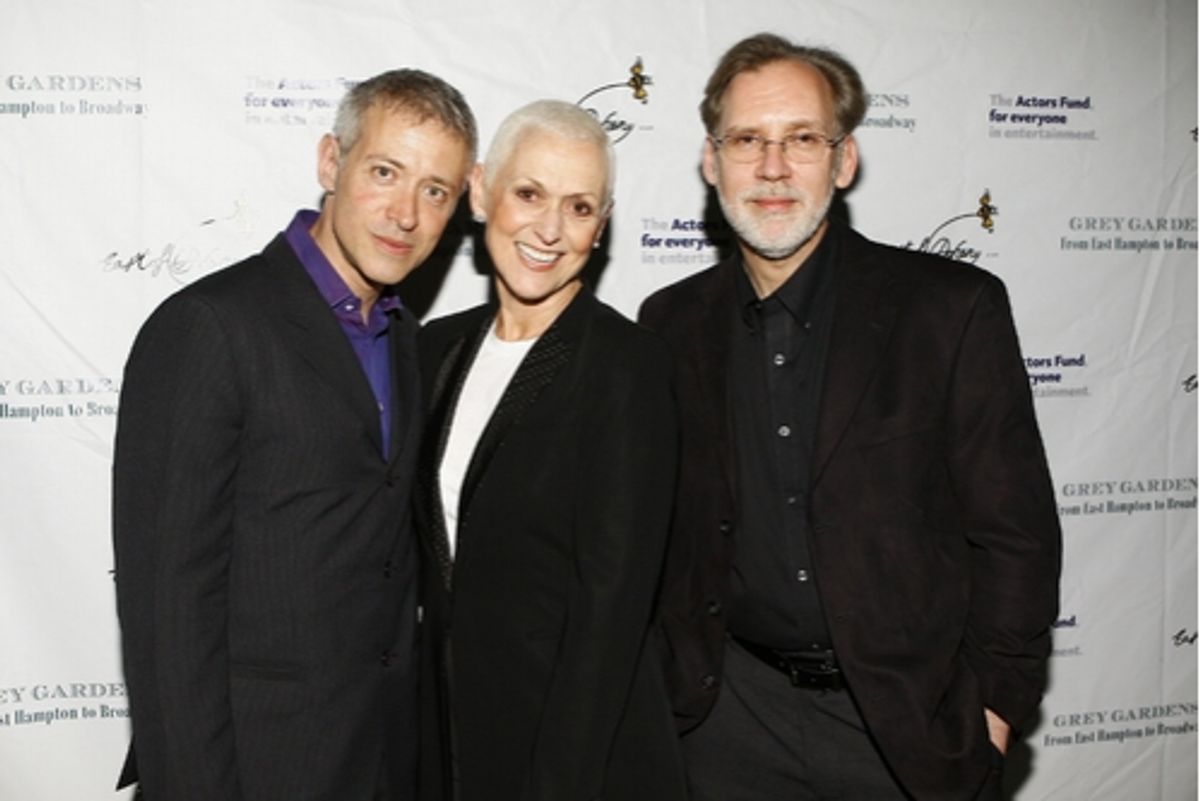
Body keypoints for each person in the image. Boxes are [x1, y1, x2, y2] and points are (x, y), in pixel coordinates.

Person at [639, 33, 1062, 801]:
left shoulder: (949, 310)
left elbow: (1016, 535)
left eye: (802, 139)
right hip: (726, 721)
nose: (772, 167)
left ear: (844, 160)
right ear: (711, 161)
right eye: (747, 140)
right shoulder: (669, 325)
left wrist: (994, 708)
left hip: (904, 729)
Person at [111, 68, 476, 801]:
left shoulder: (404, 340)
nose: (405, 212)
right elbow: (168, 616)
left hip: (375, 764)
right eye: (384, 171)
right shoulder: (209, 327)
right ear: (329, 162)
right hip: (249, 766)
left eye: (434, 190)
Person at [414, 99, 686, 801]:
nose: (550, 229)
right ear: (481, 192)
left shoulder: (628, 367)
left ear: (602, 225)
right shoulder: (431, 350)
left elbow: (611, 611)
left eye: (580, 207)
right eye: (529, 193)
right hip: (446, 742)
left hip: (574, 758)